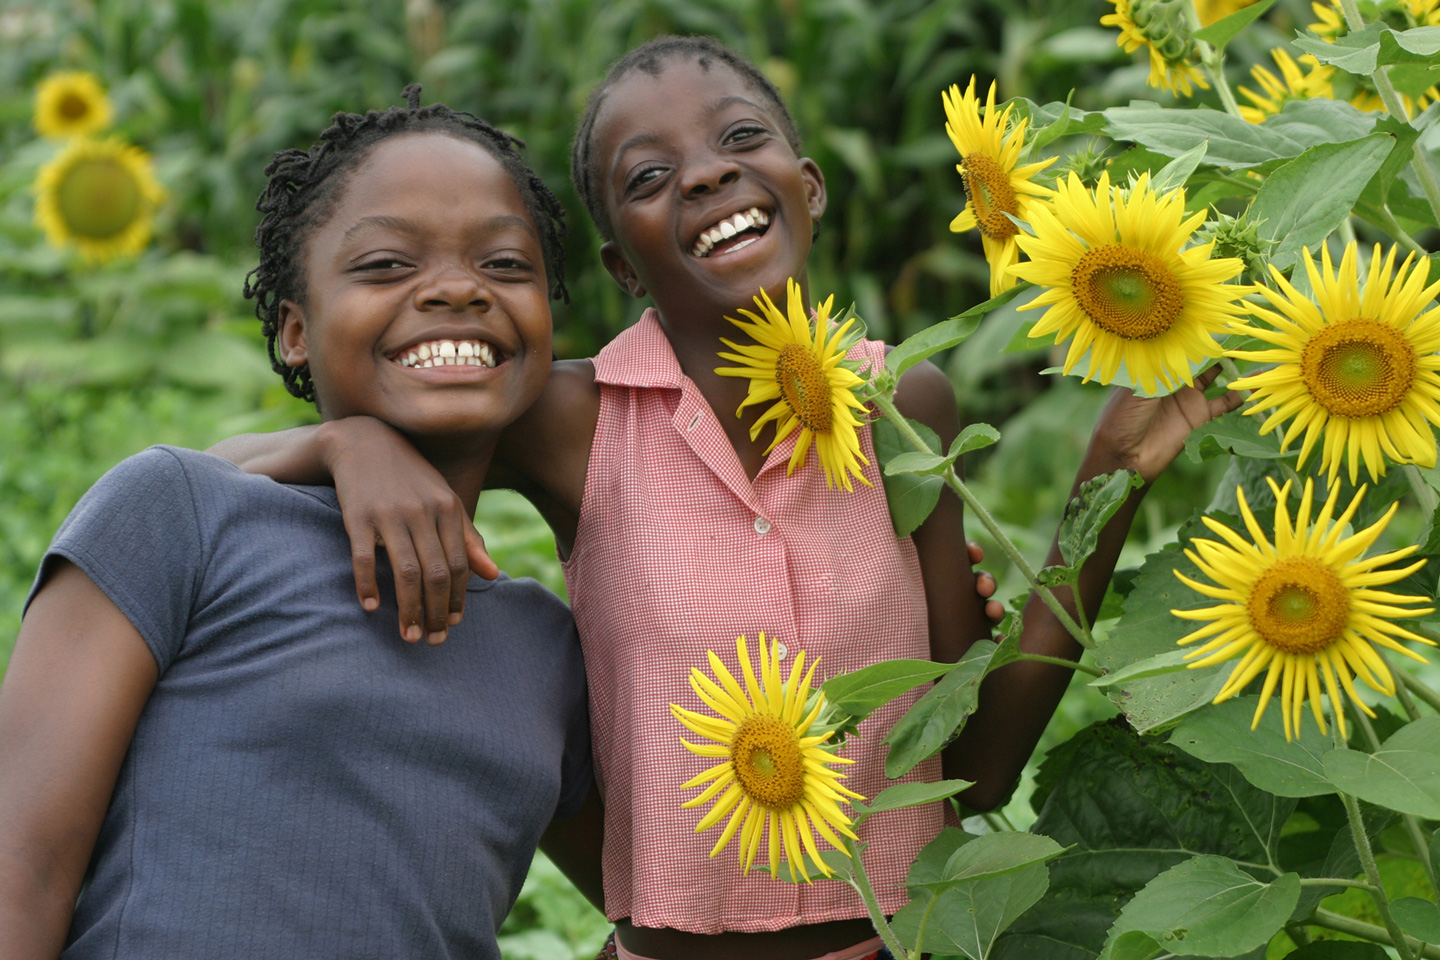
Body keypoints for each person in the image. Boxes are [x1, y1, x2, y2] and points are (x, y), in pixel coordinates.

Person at [213, 37, 1241, 960]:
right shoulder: (574, 420)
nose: (707, 172)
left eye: (741, 138)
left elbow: (972, 766)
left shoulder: (904, 406)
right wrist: (349, 441)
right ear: (620, 258)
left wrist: (1107, 485)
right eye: (651, 176)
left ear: (809, 186)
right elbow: (214, 475)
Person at [0, 90, 593, 960]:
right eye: (388, 264)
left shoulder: (546, 649)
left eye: (506, 265)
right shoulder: (185, 518)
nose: (459, 288)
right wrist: (334, 442)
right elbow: (22, 873)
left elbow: (681, 906)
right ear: (294, 333)